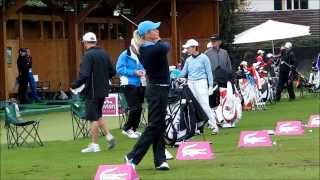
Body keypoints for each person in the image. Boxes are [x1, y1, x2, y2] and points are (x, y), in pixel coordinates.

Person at [125, 20, 170, 170]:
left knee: (159, 125)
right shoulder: (149, 49)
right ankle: (133, 156)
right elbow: (165, 46)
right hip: (156, 90)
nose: (157, 31)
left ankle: (160, 160)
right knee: (154, 125)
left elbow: (163, 46)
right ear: (147, 34)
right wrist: (159, 41)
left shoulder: (150, 47)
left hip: (160, 89)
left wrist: (157, 41)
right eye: (154, 29)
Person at [71, 32, 116, 153]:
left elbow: (84, 74)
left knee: (92, 118)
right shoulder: (104, 53)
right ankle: (109, 136)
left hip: (92, 91)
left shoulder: (88, 55)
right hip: (103, 90)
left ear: (85, 43)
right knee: (98, 114)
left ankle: (94, 145)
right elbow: (112, 72)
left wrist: (74, 85)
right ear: (95, 41)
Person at [179, 39, 218, 135]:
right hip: (191, 83)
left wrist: (210, 86)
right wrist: (174, 76)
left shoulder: (204, 58)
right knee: (193, 106)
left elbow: (209, 73)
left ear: (194, 47)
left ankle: (214, 126)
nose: (187, 49)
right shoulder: (188, 60)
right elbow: (183, 73)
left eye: (189, 48)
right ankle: (196, 127)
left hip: (201, 82)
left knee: (204, 105)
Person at [116, 32, 146, 139]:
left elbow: (143, 66)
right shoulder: (124, 55)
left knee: (139, 108)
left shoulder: (140, 55)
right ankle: (127, 129)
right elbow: (119, 69)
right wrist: (134, 72)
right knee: (135, 108)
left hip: (139, 84)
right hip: (128, 84)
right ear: (133, 46)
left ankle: (133, 129)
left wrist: (142, 71)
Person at [205, 34, 232, 108]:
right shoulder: (207, 53)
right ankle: (213, 116)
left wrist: (229, 77)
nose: (213, 42)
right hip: (213, 80)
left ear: (219, 42)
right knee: (212, 99)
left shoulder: (224, 52)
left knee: (224, 98)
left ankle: (224, 114)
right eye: (212, 41)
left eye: (215, 41)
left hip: (223, 79)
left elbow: (228, 65)